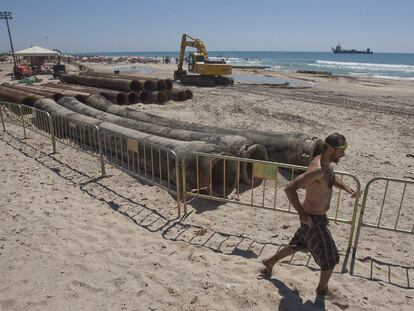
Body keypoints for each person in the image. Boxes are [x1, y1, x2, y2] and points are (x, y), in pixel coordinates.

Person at [262, 132, 356, 295]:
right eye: (342, 149)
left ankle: (270, 262)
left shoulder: (325, 163)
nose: (344, 153)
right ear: (331, 150)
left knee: (298, 245)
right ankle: (322, 288)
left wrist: (345, 187)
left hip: (316, 217)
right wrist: (302, 214)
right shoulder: (317, 169)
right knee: (330, 259)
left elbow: (330, 178)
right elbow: (290, 188)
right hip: (313, 221)